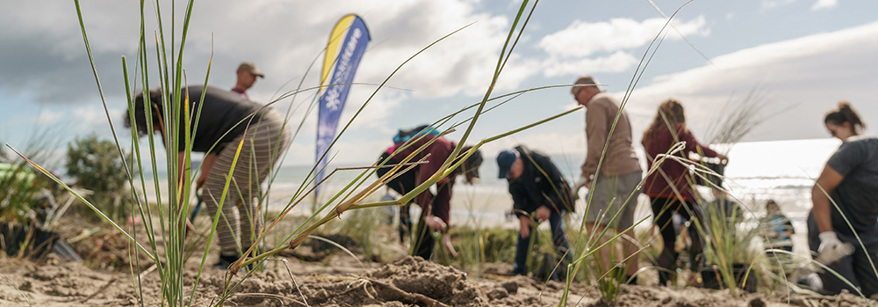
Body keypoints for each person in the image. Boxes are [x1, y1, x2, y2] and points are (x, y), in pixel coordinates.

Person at [125, 85, 291, 269]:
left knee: (214, 192)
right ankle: (254, 257)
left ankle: (230, 257)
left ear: (149, 117)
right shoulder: (183, 98)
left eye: (150, 128)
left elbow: (180, 175)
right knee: (245, 194)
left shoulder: (173, 117)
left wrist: (180, 216)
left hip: (257, 130)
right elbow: (215, 141)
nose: (154, 132)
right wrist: (205, 174)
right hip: (276, 125)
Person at [641, 99, 728, 286]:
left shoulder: (648, 135)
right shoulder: (680, 130)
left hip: (655, 194)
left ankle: (663, 282)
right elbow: (698, 149)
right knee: (699, 231)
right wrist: (718, 156)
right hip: (679, 192)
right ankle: (694, 273)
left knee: (668, 242)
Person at [571, 75, 643, 283]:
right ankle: (631, 280)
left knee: (594, 225)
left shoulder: (597, 103)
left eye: (577, 95)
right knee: (625, 229)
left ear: (585, 88)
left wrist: (585, 174)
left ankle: (607, 280)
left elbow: (597, 141)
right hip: (632, 170)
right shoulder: (613, 100)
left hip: (614, 172)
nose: (577, 102)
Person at [375, 125, 482, 260]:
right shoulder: (442, 148)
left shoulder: (453, 169)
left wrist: (446, 234)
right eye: (464, 170)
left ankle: (422, 257)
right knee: (429, 207)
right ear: (463, 160)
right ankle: (421, 258)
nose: (461, 174)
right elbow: (423, 183)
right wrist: (428, 215)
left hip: (407, 171)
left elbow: (444, 200)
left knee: (434, 206)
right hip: (388, 164)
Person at [807, 102, 878, 296]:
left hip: (866, 230)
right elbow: (819, 190)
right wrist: (827, 237)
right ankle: (809, 282)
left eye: (833, 131)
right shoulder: (858, 149)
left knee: (874, 291)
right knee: (843, 293)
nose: (835, 137)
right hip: (831, 227)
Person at [497, 145, 574, 278]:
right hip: (533, 204)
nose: (509, 177)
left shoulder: (539, 160)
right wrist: (521, 216)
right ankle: (520, 270)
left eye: (510, 172)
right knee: (524, 232)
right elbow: (517, 198)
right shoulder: (512, 178)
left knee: (557, 233)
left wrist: (547, 206)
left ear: (518, 162)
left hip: (557, 200)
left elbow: (559, 184)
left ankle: (570, 270)